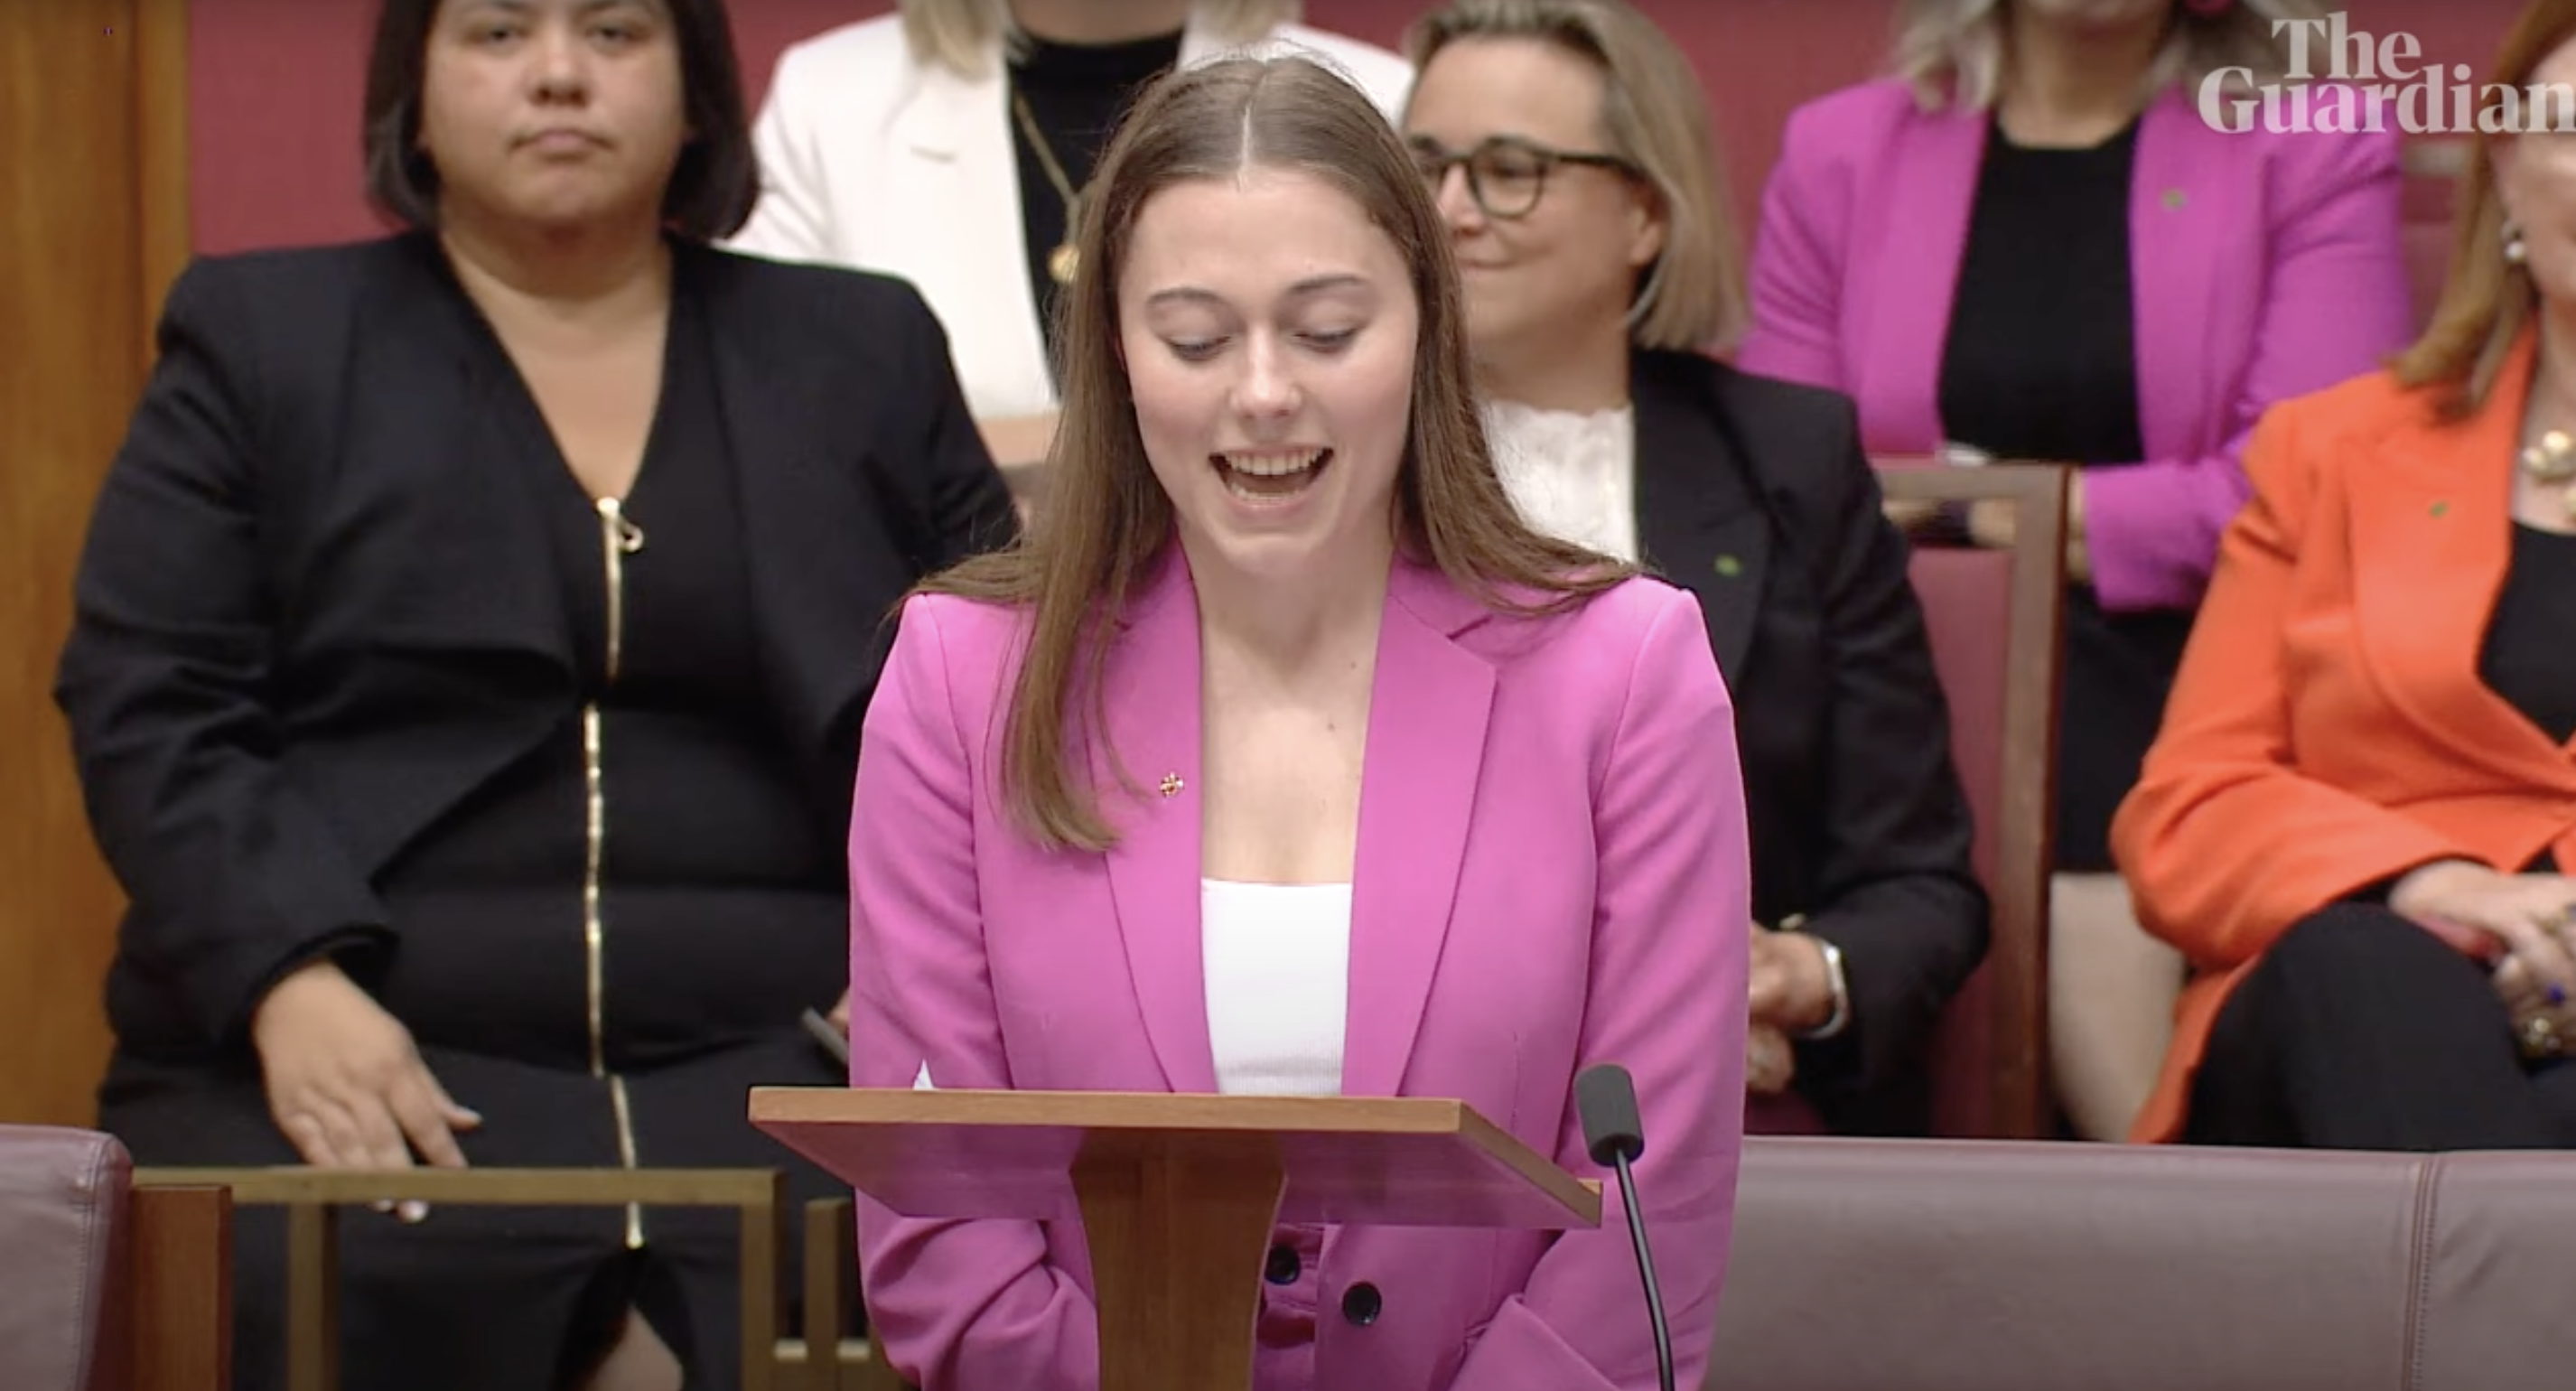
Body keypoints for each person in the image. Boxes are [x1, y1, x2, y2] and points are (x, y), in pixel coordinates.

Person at [53, 1, 1017, 1387]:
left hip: (793, 1051)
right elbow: (150, 695)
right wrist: (281, 978)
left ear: (696, 95)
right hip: (372, 1034)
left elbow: (1000, 689)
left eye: (616, 32)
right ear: (415, 95)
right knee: (288, 1267)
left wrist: (941, 960)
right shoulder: (265, 341)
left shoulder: (858, 350)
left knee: (973, 1250)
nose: (559, 72)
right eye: (498, 33)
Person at [844, 52, 1747, 1391]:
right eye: (1196, 339)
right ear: (1114, 355)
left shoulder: (1624, 674)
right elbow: (942, 1228)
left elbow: (1649, 1205)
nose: (1263, 392)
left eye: (1327, 331)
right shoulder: (959, 677)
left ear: (1428, 330)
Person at [1737, 0, 2413, 1141]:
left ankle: (2148, 1182)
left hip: (2197, 663)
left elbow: (2296, 482)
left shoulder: (2309, 139)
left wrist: (1981, 507)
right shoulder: (1841, 149)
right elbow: (1793, 477)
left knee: (2053, 698)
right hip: (1898, 651)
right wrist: (2074, 514)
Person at [1403, 0, 1985, 1136]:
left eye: (1510, 169)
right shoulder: (1318, 453)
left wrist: (1783, 978)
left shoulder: (1789, 463)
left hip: (1704, 1099)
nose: (1448, 211)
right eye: (1421, 164)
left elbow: (1918, 891)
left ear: (1643, 214)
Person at [2114, 0, 2576, 1151]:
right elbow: (2190, 811)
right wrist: (2428, 884)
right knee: (2361, 969)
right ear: (2504, 166)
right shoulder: (2332, 451)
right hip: (2353, 1003)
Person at [727, 0, 1411, 469]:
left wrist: (981, 457)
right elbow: (769, 424)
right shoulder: (829, 99)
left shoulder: (1379, 99)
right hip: (921, 608)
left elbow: (1444, 417)